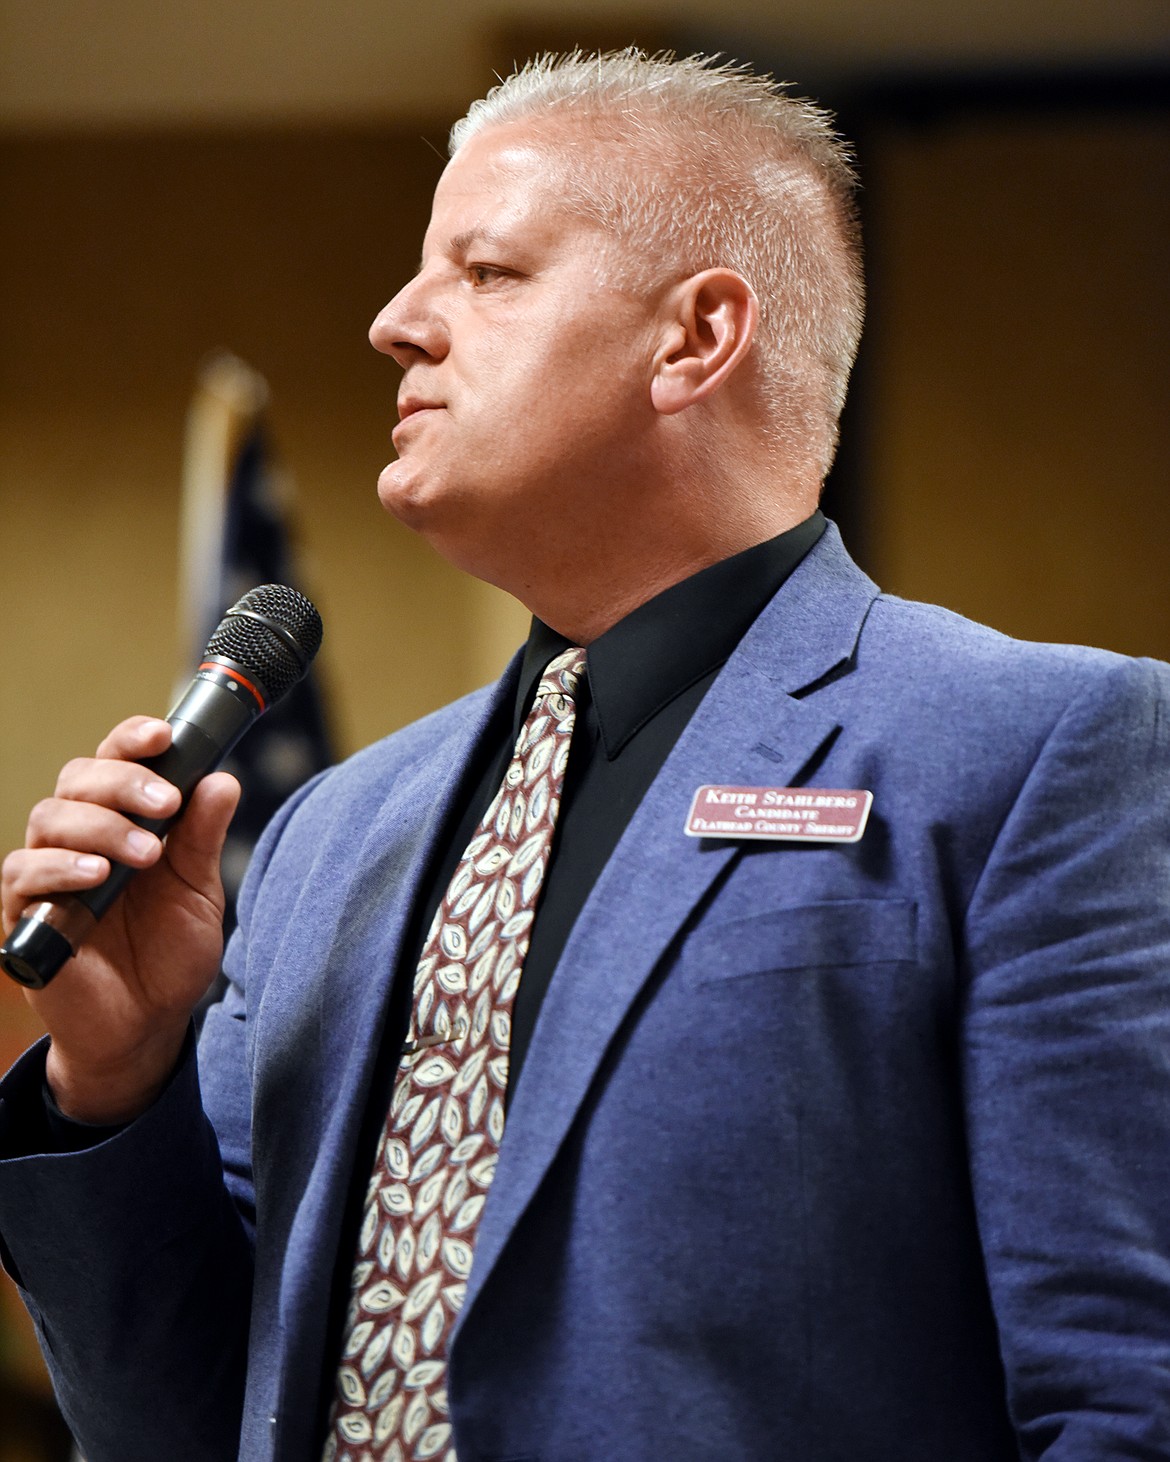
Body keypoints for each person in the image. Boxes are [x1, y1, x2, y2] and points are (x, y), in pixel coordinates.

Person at [1, 48, 1169, 1462]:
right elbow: (183, 1423)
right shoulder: (325, 833)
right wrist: (118, 1083)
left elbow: (1124, 1392)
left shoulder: (1039, 749)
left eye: (485, 272)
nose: (392, 322)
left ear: (696, 338)